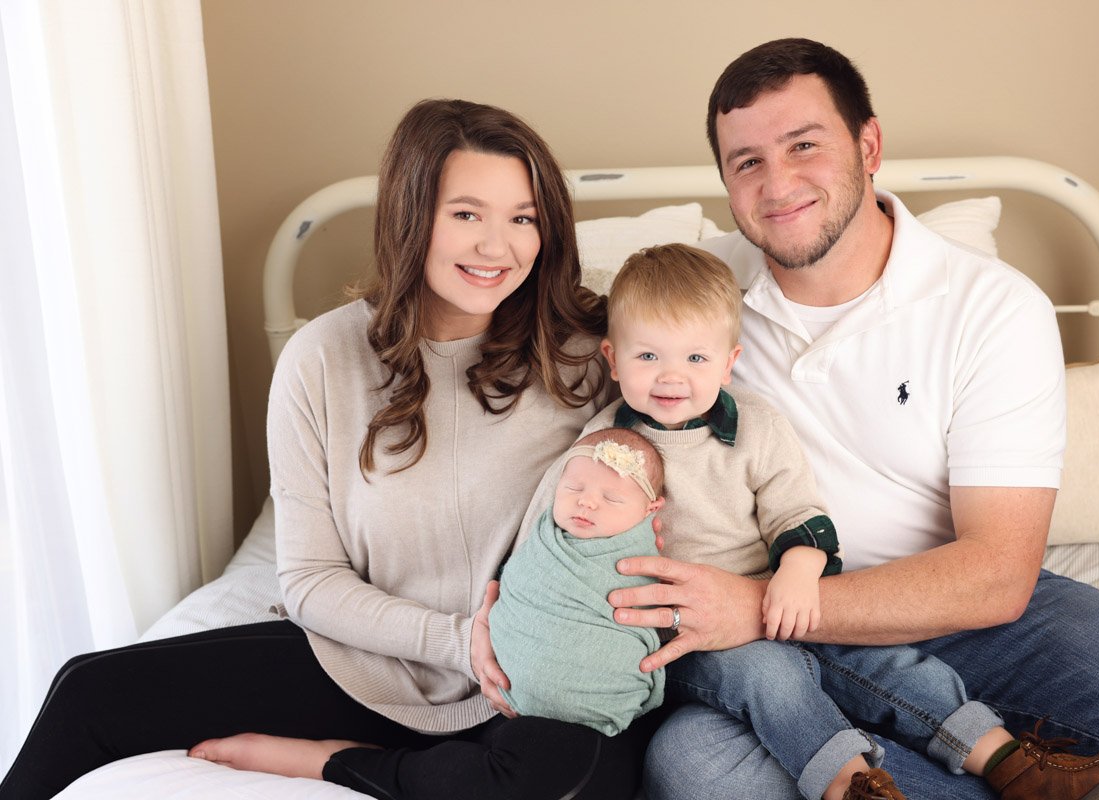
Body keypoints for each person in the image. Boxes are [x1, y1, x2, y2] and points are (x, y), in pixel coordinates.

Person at [594, 39, 1099, 800]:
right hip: (766, 634)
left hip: (960, 609)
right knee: (694, 765)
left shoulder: (990, 304)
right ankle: (1005, 771)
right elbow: (550, 362)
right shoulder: (694, 303)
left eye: (804, 145)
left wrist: (753, 604)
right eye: (746, 161)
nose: (777, 184)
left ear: (869, 144)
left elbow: (997, 576)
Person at [0, 98, 654, 800]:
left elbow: (706, 448)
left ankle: (334, 762)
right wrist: (459, 639)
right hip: (372, 662)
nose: (498, 248)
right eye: (466, 214)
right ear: (411, 216)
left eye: (523, 218)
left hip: (536, 673)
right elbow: (310, 579)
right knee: (87, 691)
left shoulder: (595, 354)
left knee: (560, 782)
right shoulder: (321, 358)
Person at [557, 243, 1099, 800]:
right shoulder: (608, 447)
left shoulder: (757, 427)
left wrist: (798, 570)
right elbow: (557, 530)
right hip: (683, 630)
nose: (671, 377)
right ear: (612, 358)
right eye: (648, 355)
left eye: (695, 357)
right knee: (770, 678)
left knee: (884, 663)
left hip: (767, 598)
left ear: (730, 362)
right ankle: (852, 784)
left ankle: (1010, 762)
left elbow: (796, 511)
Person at [489, 427, 667, 736]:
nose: (586, 503)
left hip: (598, 700)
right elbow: (519, 583)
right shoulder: (544, 538)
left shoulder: (636, 559)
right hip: (502, 687)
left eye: (611, 498)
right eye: (573, 488)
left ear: (649, 510)